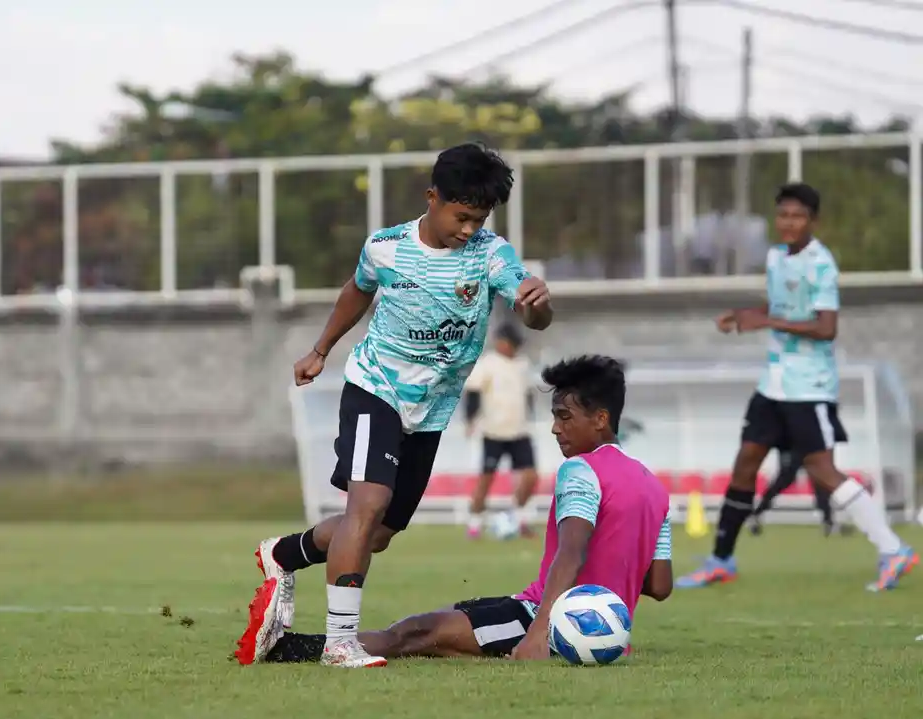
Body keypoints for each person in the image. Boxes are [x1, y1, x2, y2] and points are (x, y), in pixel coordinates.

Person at [238, 142, 554, 668]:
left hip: (430, 410)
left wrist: (536, 305)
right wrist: (321, 350)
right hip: (376, 388)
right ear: (432, 198)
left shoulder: (491, 254)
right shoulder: (385, 247)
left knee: (377, 534)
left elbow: (529, 308)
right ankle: (341, 643)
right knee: (368, 506)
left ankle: (284, 554)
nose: (469, 229)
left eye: (479, 219)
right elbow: (356, 291)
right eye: (461, 216)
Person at [236, 355, 672, 666]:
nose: (556, 427)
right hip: (593, 628)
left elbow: (571, 554)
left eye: (565, 416)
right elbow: (659, 584)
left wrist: (540, 632)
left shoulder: (581, 470)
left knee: (416, 633)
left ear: (600, 418)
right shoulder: (655, 487)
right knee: (439, 623)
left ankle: (286, 650)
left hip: (547, 623)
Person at [676, 183, 915, 592]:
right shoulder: (775, 258)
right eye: (783, 214)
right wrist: (744, 314)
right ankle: (721, 559)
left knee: (822, 469)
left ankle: (893, 550)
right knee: (746, 462)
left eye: (798, 216)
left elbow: (826, 327)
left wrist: (767, 323)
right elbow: (778, 308)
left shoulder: (822, 264)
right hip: (774, 383)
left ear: (813, 221)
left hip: (810, 386)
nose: (789, 222)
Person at [463, 323, 538, 539]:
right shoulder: (487, 364)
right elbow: (474, 393)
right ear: (501, 342)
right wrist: (470, 420)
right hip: (494, 431)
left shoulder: (523, 364)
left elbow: (528, 394)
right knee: (486, 478)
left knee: (530, 476)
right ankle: (475, 524)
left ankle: (518, 518)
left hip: (519, 431)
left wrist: (530, 417)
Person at [749, 448, 850, 537]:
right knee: (784, 480)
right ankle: (756, 514)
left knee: (818, 482)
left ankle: (829, 522)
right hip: (792, 444)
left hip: (807, 443)